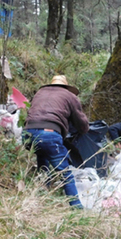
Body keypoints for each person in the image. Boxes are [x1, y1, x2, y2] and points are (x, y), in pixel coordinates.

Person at [23, 75, 89, 207]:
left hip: (27, 134)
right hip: (49, 134)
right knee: (65, 174)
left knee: (43, 159)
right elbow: (82, 124)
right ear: (66, 87)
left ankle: (42, 194)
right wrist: (84, 129)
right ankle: (77, 208)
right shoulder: (70, 96)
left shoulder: (40, 93)